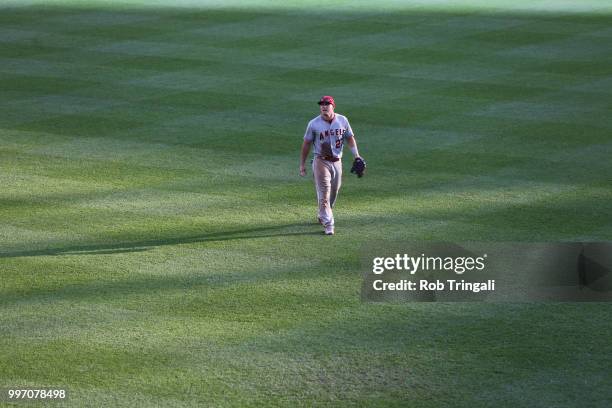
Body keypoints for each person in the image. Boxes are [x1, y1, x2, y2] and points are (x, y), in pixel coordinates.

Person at [299, 95, 363, 236]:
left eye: (327, 104)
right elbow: (306, 144)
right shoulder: (314, 124)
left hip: (337, 162)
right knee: (325, 193)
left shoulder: (342, 120)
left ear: (333, 106)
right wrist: (302, 164)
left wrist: (356, 155)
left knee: (334, 192)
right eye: (321, 104)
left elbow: (350, 138)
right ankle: (329, 224)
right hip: (320, 161)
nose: (323, 106)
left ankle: (323, 213)